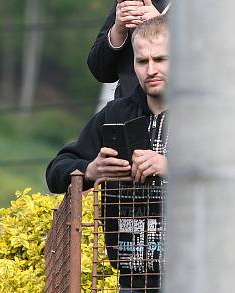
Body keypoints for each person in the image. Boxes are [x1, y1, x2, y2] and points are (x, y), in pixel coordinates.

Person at [47, 15, 170, 292]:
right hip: (132, 274)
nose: (151, 69)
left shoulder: (206, 116)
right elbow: (56, 170)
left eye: (161, 60)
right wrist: (91, 171)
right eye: (142, 61)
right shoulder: (115, 114)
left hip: (195, 271)